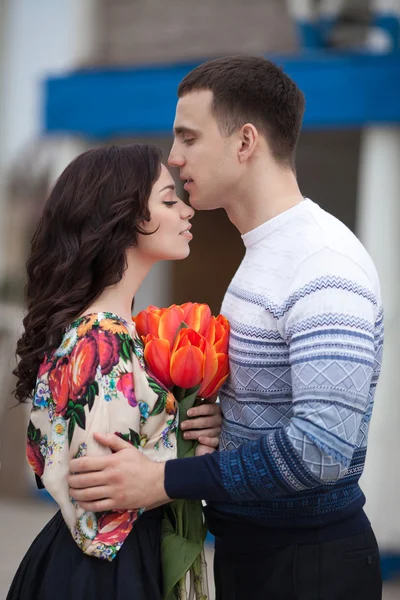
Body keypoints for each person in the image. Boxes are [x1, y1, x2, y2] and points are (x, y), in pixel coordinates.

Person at [69, 57, 384, 600]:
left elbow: (322, 449)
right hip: (256, 554)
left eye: (188, 137)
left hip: (308, 565)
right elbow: (279, 409)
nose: (173, 157)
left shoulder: (323, 263)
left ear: (245, 143)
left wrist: (162, 481)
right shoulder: (265, 253)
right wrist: (226, 422)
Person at [7, 143, 223, 600]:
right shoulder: (102, 341)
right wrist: (196, 464)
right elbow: (100, 511)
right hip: (103, 573)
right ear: (122, 216)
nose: (186, 211)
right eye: (168, 200)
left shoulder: (113, 331)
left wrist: (189, 432)